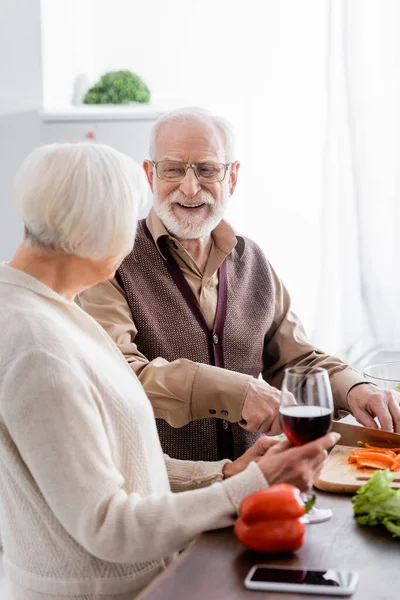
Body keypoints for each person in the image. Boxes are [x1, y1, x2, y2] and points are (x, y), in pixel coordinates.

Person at [0, 142, 338, 600]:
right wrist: (254, 486)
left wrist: (227, 475)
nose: (132, 236)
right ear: (94, 231)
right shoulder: (37, 347)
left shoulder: (55, 312)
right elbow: (109, 526)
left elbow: (120, 465)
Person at [78, 107, 400, 463]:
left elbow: (297, 358)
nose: (189, 187)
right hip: (162, 500)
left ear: (231, 178)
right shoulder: (111, 259)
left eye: (207, 169)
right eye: (172, 169)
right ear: (149, 174)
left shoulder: (252, 259)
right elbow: (121, 374)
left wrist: (355, 388)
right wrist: (236, 392)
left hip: (260, 487)